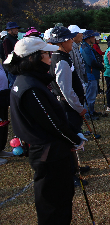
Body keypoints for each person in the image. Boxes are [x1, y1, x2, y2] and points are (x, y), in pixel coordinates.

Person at [5, 36, 87, 224]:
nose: (50, 58)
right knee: (54, 202)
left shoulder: (28, 81)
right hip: (48, 154)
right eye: (46, 54)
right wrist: (74, 139)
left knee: (58, 198)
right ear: (33, 58)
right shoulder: (31, 87)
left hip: (47, 150)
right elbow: (53, 123)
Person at [80, 30, 104, 120]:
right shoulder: (85, 48)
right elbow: (91, 62)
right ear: (88, 38)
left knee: (93, 94)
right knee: (90, 96)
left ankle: (92, 111)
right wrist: (100, 66)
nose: (95, 38)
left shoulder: (88, 47)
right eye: (93, 37)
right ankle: (88, 114)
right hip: (90, 75)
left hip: (93, 74)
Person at [3, 21, 20, 88]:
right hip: (11, 66)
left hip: (16, 65)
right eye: (15, 28)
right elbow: (8, 55)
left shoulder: (15, 39)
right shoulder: (7, 40)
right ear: (10, 30)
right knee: (13, 85)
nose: (17, 30)